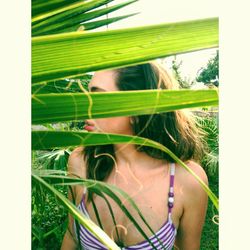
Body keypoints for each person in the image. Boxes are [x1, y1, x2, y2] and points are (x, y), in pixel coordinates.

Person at [61, 61, 208, 250]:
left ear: (137, 110)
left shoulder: (188, 180)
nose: (85, 109)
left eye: (98, 98)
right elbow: (72, 236)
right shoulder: (81, 162)